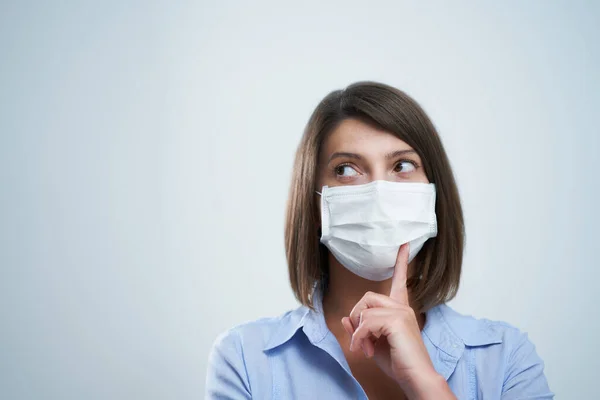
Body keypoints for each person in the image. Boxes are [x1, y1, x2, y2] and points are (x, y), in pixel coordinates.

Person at [205, 82, 553, 399]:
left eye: (403, 165)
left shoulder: (507, 359)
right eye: (346, 170)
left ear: (434, 195)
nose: (379, 193)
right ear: (314, 204)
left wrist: (427, 384)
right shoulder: (245, 360)